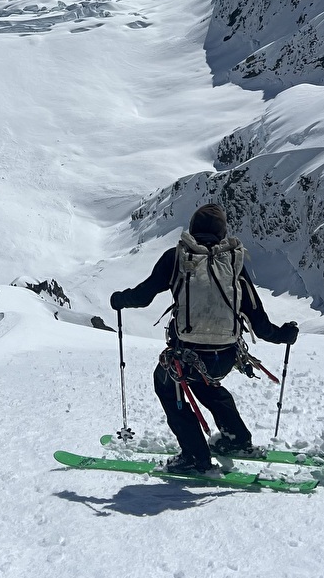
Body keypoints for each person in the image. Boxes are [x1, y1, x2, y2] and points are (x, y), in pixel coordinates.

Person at [110, 202, 298, 475]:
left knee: (166, 385)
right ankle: (237, 440)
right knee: (207, 386)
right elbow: (259, 321)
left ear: (192, 229)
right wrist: (284, 335)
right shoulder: (233, 264)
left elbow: (142, 296)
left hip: (186, 357)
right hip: (225, 357)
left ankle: (194, 455)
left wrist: (120, 299)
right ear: (222, 233)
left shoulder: (176, 258)